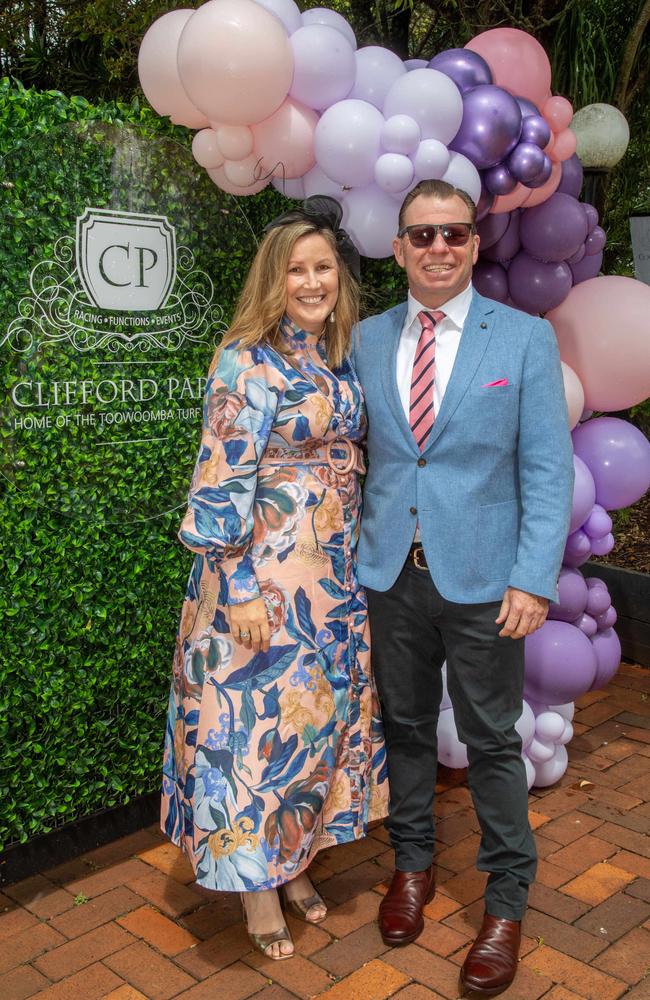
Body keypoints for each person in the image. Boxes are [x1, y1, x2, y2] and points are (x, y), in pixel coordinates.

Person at [353, 179, 574, 998]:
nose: (438, 248)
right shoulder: (367, 339)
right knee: (406, 730)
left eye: (453, 234)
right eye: (421, 236)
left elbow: (548, 470)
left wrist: (533, 578)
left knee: (491, 743)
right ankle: (411, 868)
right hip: (391, 577)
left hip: (488, 584)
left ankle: (506, 902)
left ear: (476, 244)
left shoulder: (523, 339)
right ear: (400, 248)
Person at [161, 196, 388, 961]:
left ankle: (296, 860)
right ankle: (257, 887)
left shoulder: (341, 356)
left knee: (313, 727)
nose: (313, 281)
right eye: (297, 269)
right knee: (253, 734)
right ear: (274, 278)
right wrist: (239, 588)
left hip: (332, 589)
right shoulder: (246, 358)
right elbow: (221, 479)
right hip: (261, 586)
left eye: (324, 267)